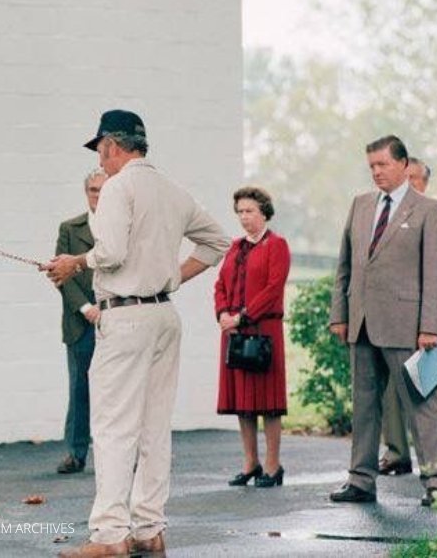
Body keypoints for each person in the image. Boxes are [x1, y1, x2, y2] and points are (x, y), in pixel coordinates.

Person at [44, 110, 229, 557]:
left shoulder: (117, 188)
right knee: (153, 427)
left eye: (101, 152)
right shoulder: (171, 189)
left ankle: (110, 535)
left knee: (111, 427)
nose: (101, 162)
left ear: (111, 145)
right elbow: (217, 242)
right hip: (164, 316)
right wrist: (170, 276)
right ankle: (149, 528)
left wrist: (74, 263)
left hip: (125, 318)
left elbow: (110, 251)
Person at [329, 135, 437, 507]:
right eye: (372, 167)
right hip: (361, 322)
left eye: (382, 165)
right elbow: (345, 265)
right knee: (364, 405)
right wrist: (340, 315)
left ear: (402, 164)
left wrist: (430, 326)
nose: (376, 172)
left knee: (423, 403)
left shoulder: (429, 210)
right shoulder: (360, 205)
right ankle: (361, 480)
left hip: (408, 327)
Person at [214, 186, 290, 488]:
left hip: (264, 330)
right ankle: (251, 463)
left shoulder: (277, 245)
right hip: (234, 332)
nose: (244, 217)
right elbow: (220, 283)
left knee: (269, 402)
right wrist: (222, 313)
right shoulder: (235, 247)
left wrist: (242, 316)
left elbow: (273, 289)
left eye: (250, 211)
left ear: (264, 212)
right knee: (243, 401)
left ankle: (273, 466)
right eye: (240, 212)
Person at [378, 155, 431, 476]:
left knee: (427, 389)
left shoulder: (434, 214)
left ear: (425, 182)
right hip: (395, 317)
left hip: (427, 317)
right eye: (405, 177)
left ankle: (434, 464)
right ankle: (397, 454)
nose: (410, 184)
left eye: (416, 178)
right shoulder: (385, 218)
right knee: (392, 388)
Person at [55, 168, 108, 475]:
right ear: (86, 193)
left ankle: (119, 456)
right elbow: (61, 276)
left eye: (103, 190)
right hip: (81, 321)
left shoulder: (121, 228)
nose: (98, 196)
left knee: (116, 391)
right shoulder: (69, 229)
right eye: (93, 190)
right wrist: (86, 308)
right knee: (80, 388)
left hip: (116, 318)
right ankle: (76, 453)